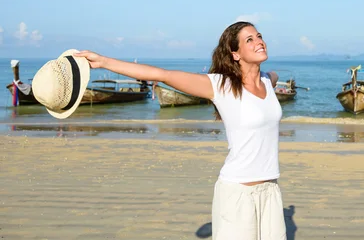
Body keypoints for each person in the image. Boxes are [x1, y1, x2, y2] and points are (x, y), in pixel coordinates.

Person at [76, 21, 286, 240]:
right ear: (235, 54)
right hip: (238, 192)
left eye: (259, 36)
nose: (259, 42)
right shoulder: (221, 85)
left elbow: (273, 76)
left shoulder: (266, 81)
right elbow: (162, 75)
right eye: (249, 40)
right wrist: (104, 61)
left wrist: (270, 75)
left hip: (271, 190)